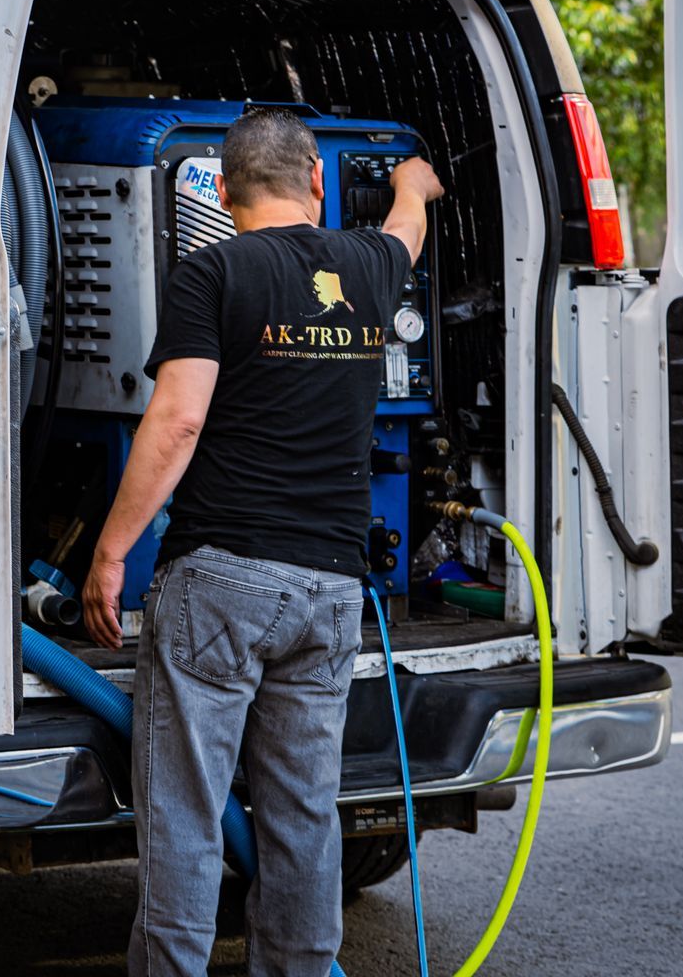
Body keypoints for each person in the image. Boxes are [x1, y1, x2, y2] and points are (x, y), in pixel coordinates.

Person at [79, 105, 445, 977]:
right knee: (302, 815)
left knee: (187, 816)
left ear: (224, 190)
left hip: (224, 584)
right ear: (318, 181)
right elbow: (406, 227)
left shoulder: (211, 273)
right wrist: (413, 181)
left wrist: (109, 552)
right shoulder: (367, 264)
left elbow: (176, 422)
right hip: (329, 593)